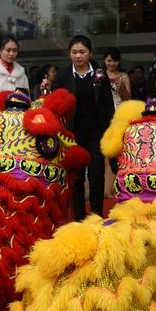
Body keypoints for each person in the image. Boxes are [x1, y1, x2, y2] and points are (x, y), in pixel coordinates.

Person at [42, 35, 114, 220]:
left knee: (97, 174)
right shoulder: (63, 75)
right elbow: (54, 103)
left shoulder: (99, 74)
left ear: (90, 53)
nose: (78, 56)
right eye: (74, 52)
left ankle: (97, 215)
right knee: (77, 177)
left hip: (96, 131)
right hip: (72, 134)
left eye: (82, 52)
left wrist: (110, 131)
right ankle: (79, 217)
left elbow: (107, 104)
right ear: (69, 54)